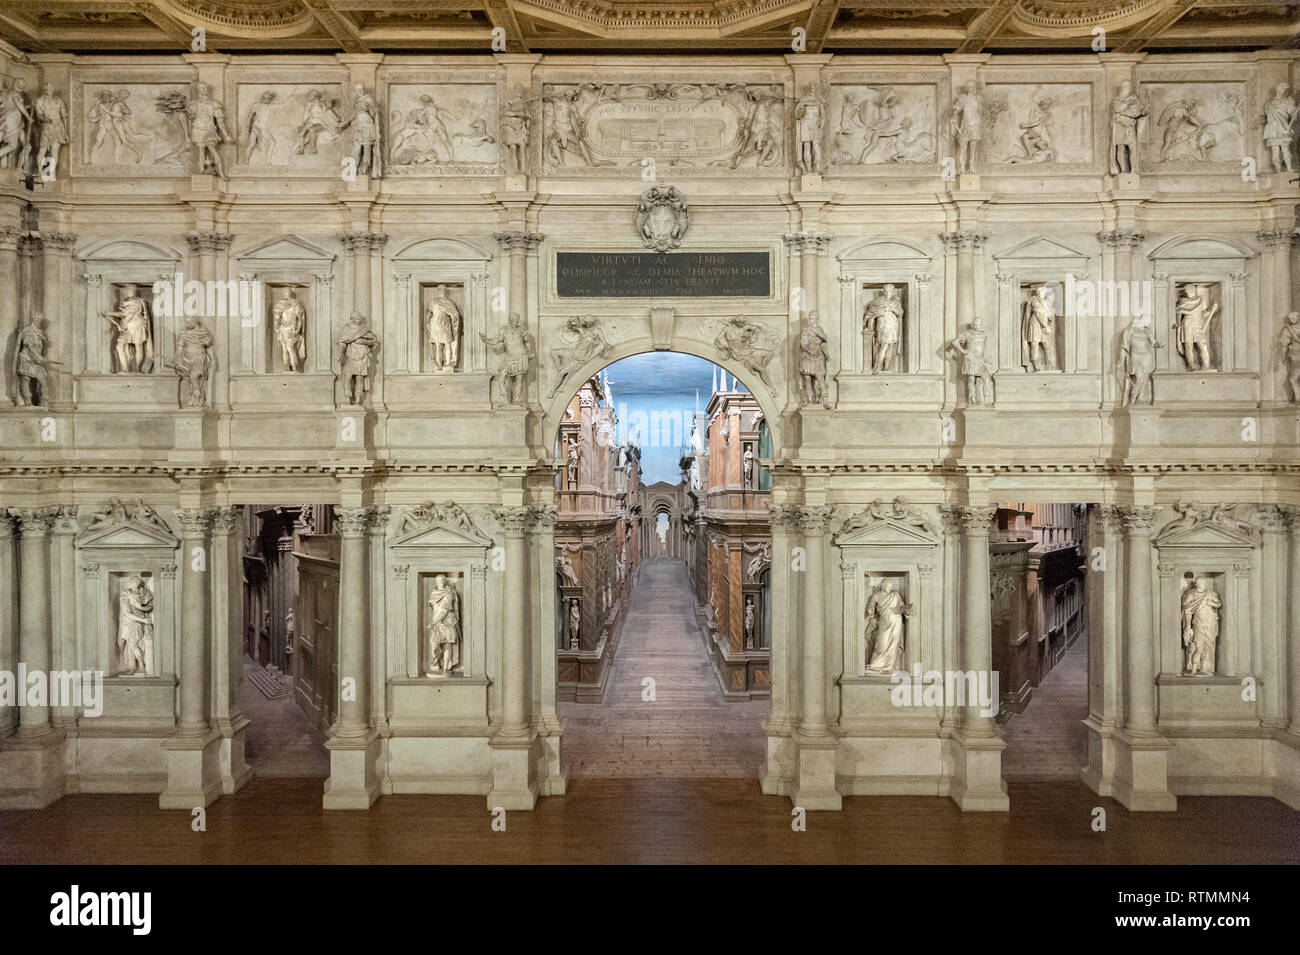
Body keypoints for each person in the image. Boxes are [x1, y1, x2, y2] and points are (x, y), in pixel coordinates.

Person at [1181, 577, 1221, 676]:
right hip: (1198, 623)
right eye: (1201, 583)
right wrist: (1188, 627)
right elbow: (1187, 611)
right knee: (1198, 647)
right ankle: (1193, 669)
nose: (1203, 584)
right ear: (1196, 584)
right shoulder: (1191, 594)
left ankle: (1204, 668)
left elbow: (1219, 604)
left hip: (1210, 623)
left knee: (1208, 647)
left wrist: (1212, 603)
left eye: (1204, 583)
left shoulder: (1210, 593)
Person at [425, 576, 460, 675]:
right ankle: (436, 660)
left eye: (443, 580)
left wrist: (433, 623)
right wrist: (434, 622)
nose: (441, 582)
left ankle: (445, 668)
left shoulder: (449, 593)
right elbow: (434, 608)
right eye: (439, 580)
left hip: (447, 621)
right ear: (436, 582)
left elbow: (445, 610)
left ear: (445, 581)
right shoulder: (434, 592)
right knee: (434, 644)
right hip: (437, 622)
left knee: (447, 644)